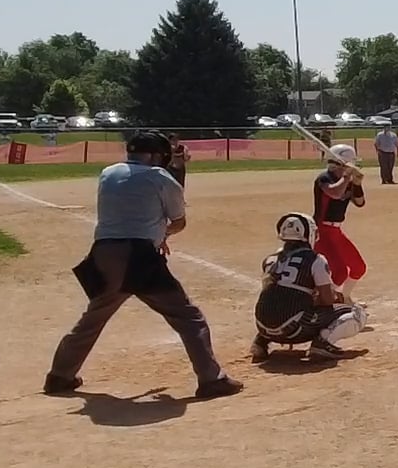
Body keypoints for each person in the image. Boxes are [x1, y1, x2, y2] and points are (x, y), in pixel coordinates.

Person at [44, 131, 242, 399]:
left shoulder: (108, 173)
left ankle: (59, 375)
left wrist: (157, 226)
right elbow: (178, 221)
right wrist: (163, 232)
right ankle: (211, 379)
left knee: (93, 317)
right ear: (154, 156)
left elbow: (134, 206)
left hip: (103, 253)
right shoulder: (160, 177)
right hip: (139, 256)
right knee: (188, 317)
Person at [251, 213, 367, 362]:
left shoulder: (270, 259)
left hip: (263, 326)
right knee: (356, 313)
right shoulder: (315, 259)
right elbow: (327, 300)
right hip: (295, 329)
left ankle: (261, 342)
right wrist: (330, 297)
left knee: (276, 303)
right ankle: (323, 343)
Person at [312, 143, 368, 302]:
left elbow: (360, 202)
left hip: (336, 231)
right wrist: (347, 176)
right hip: (321, 231)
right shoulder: (324, 178)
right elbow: (335, 193)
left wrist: (357, 183)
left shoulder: (346, 181)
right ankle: (321, 302)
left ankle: (344, 297)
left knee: (358, 267)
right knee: (339, 272)